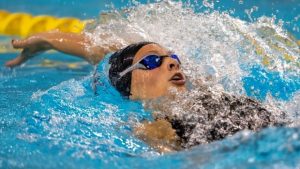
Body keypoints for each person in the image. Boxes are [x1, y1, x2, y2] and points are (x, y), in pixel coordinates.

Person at [5, 31, 288, 152]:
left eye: (172, 57)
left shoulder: (203, 90)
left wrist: (50, 39)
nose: (172, 62)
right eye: (153, 61)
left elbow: (104, 50)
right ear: (131, 88)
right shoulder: (155, 128)